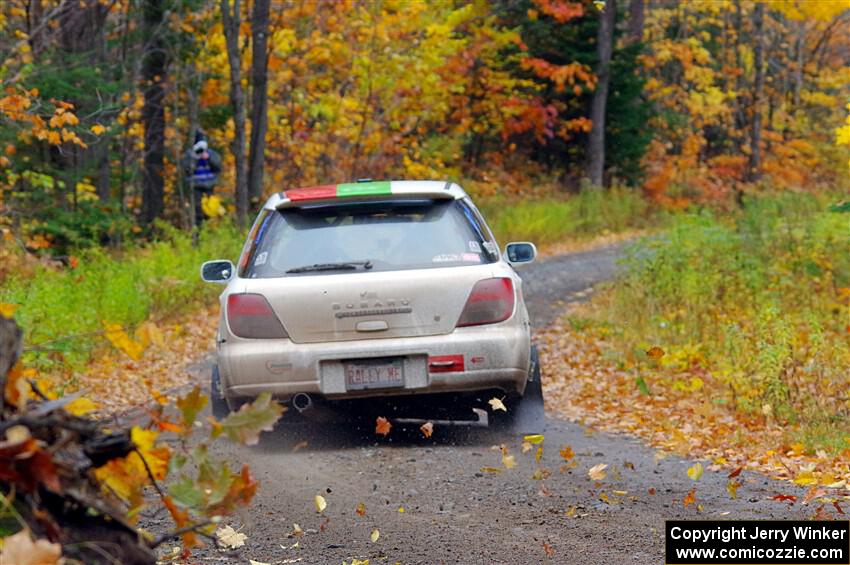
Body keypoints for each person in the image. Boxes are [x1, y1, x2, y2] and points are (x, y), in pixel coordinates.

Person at [182, 130, 222, 227]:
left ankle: (210, 228)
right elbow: (187, 170)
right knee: (198, 210)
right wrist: (195, 157)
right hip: (196, 186)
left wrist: (208, 158)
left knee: (211, 209)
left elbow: (217, 167)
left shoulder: (211, 154)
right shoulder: (190, 155)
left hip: (210, 186)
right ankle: (198, 229)